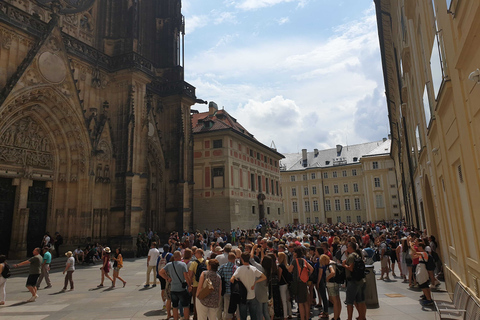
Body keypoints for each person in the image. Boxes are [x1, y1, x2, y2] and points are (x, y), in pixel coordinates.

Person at [231, 252, 267, 320]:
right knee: (253, 316)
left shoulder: (239, 269)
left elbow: (232, 279)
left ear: (241, 259)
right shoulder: (253, 268)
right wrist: (255, 282)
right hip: (252, 295)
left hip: (243, 296)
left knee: (243, 316)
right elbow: (264, 277)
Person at [159, 251, 191, 320]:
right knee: (185, 306)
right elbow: (186, 276)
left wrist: (167, 278)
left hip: (173, 289)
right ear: (180, 257)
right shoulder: (183, 264)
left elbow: (160, 272)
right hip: (181, 289)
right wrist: (189, 285)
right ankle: (186, 318)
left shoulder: (169, 264)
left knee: (175, 306)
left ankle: (175, 318)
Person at [343, 242, 366, 320]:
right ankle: (362, 317)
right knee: (360, 300)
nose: (346, 248)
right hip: (359, 280)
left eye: (347, 246)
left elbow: (351, 268)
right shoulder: (357, 255)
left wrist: (344, 265)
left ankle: (349, 318)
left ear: (350, 247)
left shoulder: (351, 256)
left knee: (349, 302)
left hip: (352, 281)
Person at [288, 247, 313, 320]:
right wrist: (307, 276)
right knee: (306, 302)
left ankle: (302, 318)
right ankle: (307, 317)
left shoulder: (294, 261)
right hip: (304, 282)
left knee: (300, 303)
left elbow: (289, 270)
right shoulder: (304, 260)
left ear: (296, 253)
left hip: (298, 283)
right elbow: (311, 269)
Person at [217, 253, 237, 320]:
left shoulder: (223, 266)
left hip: (222, 289)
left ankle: (219, 318)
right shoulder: (236, 268)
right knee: (227, 308)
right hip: (230, 290)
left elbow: (217, 275)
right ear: (234, 259)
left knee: (219, 307)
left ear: (228, 259)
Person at [277, 252, 292, 320]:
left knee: (283, 301)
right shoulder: (287, 265)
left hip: (282, 284)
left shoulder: (280, 266)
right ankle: (290, 313)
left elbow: (279, 277)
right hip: (287, 284)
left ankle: (285, 316)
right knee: (288, 299)